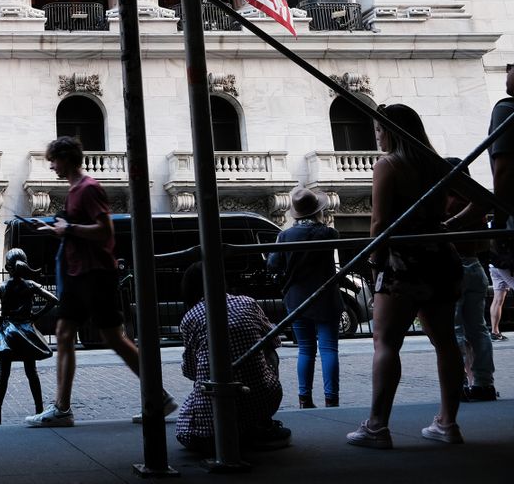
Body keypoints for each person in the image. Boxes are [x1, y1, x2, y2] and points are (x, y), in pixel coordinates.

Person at [25, 136, 176, 428]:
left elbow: (104, 231)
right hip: (79, 273)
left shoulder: (89, 188)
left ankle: (159, 396)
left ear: (67, 158)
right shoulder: (73, 191)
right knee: (66, 333)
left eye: (54, 160)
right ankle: (62, 408)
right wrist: (53, 229)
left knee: (113, 338)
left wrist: (69, 227)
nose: (52, 166)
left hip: (94, 274)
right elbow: (77, 230)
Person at [347, 103, 464, 449]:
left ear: (391, 131)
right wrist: (448, 225)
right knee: (445, 342)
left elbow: (379, 223)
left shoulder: (388, 165)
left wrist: (374, 258)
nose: (377, 136)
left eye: (380, 130)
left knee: (386, 342)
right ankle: (448, 422)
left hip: (403, 262)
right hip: (441, 258)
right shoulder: (436, 165)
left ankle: (377, 426)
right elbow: (482, 201)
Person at [175, 263, 289, 455]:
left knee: (186, 428)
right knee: (269, 351)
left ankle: (234, 433)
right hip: (263, 398)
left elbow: (190, 371)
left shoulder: (190, 317)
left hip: (214, 411)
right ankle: (259, 425)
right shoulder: (248, 302)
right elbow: (274, 340)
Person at [486, 50, 514, 439]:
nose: (507, 71)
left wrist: (497, 224)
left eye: (511, 66)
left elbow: (505, 170)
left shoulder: (509, 110)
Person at [266, 186, 341, 408]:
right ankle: (331, 398)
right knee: (329, 349)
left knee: (306, 349)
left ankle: (304, 398)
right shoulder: (330, 233)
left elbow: (273, 265)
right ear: (317, 210)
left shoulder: (285, 236)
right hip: (327, 297)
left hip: (297, 299)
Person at [0, 248, 56, 425]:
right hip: (27, 332)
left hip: (8, 333)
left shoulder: (2, 286)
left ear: (8, 267)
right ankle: (39, 410)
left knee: (3, 375)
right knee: (32, 373)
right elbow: (53, 300)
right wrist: (36, 316)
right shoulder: (30, 285)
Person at [441, 158, 497, 402]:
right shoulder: (475, 203)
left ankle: (459, 383)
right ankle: (484, 383)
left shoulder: (445, 201)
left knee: (454, 331)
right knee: (479, 329)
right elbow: (484, 242)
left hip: (452, 267)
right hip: (474, 265)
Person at [487, 242, 514, 342]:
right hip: (506, 268)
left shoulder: (495, 233)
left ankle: (495, 332)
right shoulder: (510, 233)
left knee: (497, 299)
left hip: (494, 266)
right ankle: (495, 332)